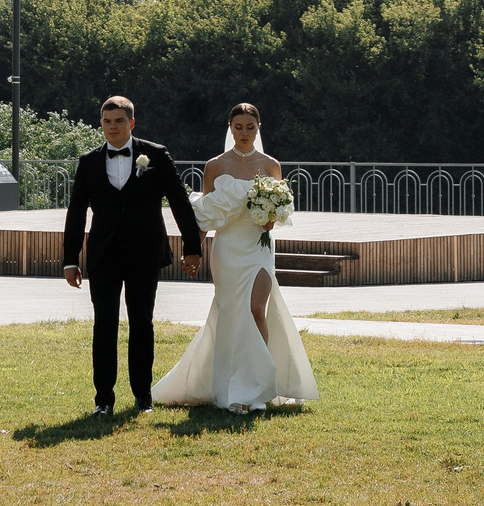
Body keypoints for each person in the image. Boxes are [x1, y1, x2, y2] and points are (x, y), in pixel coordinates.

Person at [152, 102, 319, 413]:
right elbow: (205, 215)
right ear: (230, 128)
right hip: (227, 248)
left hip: (259, 248)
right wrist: (194, 251)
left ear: (258, 129)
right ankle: (231, 388)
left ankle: (258, 388)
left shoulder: (271, 165)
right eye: (238, 127)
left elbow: (278, 212)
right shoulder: (215, 166)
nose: (244, 133)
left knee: (258, 309)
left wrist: (271, 218)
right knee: (231, 314)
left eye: (250, 127)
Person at [62, 95, 202, 415]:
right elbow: (76, 213)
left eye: (119, 121)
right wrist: (71, 260)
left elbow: (179, 202)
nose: (112, 127)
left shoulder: (156, 155)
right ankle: (103, 401)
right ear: (101, 124)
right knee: (104, 325)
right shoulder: (88, 162)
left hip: (144, 254)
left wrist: (192, 248)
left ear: (132, 123)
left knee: (142, 324)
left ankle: (143, 396)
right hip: (103, 256)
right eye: (107, 122)